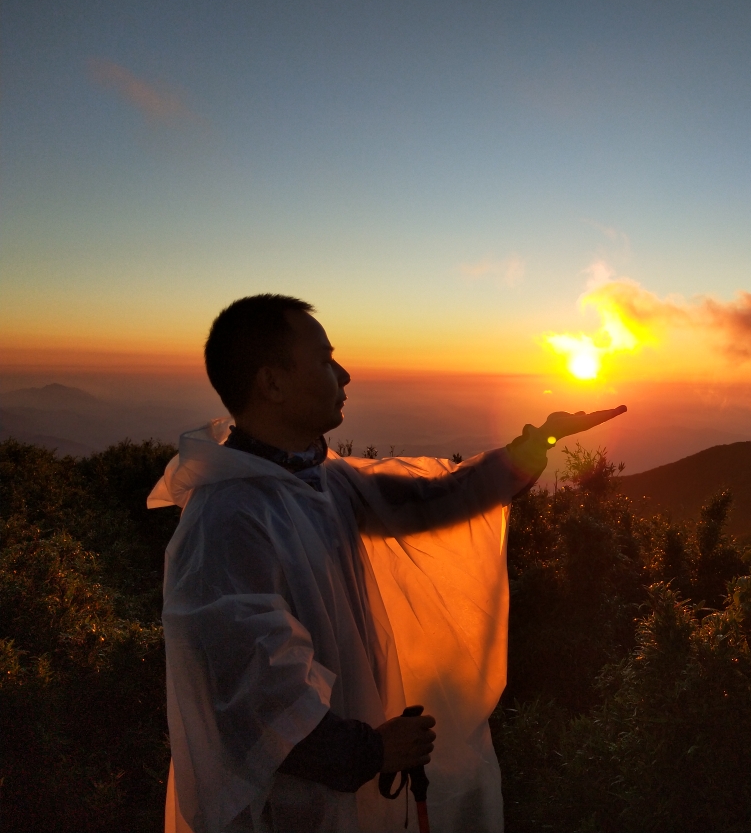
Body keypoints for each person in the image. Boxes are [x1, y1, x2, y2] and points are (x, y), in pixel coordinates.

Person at [149, 294, 625, 833]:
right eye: (326, 360)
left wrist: (541, 442)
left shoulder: (320, 482)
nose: (345, 374)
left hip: (344, 799)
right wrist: (369, 750)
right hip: (287, 813)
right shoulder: (228, 518)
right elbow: (245, 689)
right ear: (272, 383)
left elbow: (432, 501)